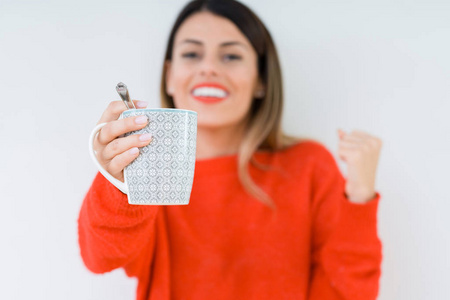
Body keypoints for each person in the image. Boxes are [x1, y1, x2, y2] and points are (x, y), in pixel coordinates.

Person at [78, 0, 383, 299]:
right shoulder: (150, 167)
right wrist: (116, 183)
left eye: (231, 57)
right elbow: (99, 258)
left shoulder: (308, 166)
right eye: (192, 53)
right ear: (170, 76)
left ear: (261, 79)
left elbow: (346, 292)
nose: (208, 68)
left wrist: (359, 195)